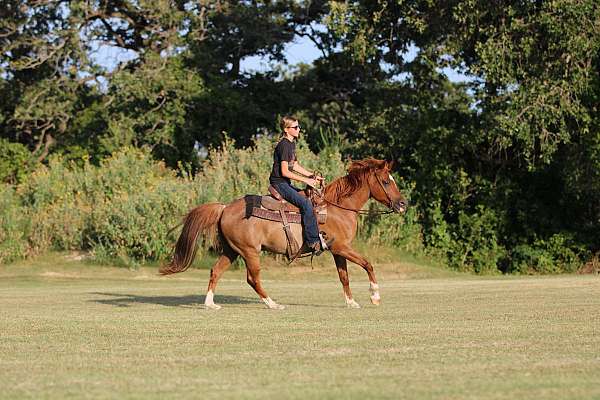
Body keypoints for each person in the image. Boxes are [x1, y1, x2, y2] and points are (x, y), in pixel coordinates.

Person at [269, 116, 327, 258]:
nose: (298, 129)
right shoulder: (284, 145)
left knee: (309, 199)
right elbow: (284, 171)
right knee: (306, 204)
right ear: (286, 130)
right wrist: (305, 181)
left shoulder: (291, 143)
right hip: (279, 183)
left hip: (285, 183)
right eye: (295, 127)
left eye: (298, 127)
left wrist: (311, 176)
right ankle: (313, 242)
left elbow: (294, 165)